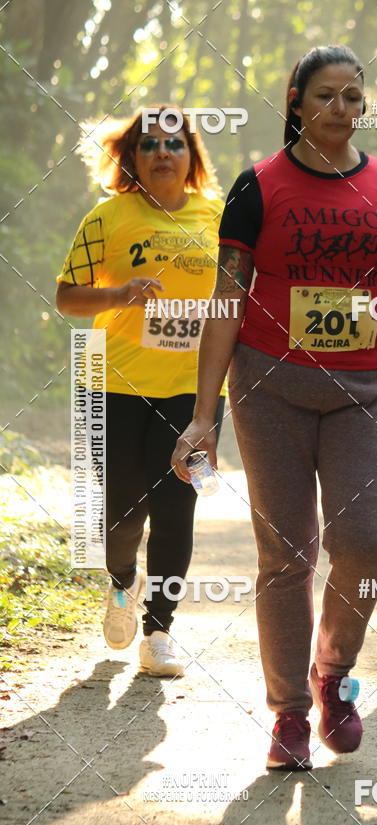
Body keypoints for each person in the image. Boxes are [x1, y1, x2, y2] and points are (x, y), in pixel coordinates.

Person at [172, 45, 377, 770]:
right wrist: (203, 413)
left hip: (364, 393)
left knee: (361, 545)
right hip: (269, 391)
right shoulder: (257, 186)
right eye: (325, 96)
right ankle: (289, 714)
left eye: (353, 97)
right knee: (286, 556)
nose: (340, 111)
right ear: (295, 101)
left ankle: (333, 674)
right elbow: (227, 301)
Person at [56, 106, 224, 677]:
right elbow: (66, 297)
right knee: (119, 514)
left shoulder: (219, 217)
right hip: (112, 386)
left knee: (179, 504)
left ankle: (160, 631)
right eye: (148, 145)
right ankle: (121, 584)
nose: (161, 154)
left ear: (191, 157)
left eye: (174, 145)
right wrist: (118, 295)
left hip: (194, 393)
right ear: (131, 158)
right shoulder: (108, 216)